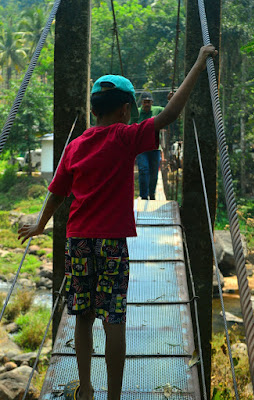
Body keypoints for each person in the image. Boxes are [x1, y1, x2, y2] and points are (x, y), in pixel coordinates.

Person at [18, 44, 217, 400]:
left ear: (93, 109)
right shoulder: (127, 137)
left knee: (81, 316)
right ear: (127, 109)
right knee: (114, 318)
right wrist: (200, 63)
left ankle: (86, 388)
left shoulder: (75, 146)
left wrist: (39, 223)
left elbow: (56, 192)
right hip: (110, 243)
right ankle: (113, 394)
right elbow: (169, 114)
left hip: (77, 239)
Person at [134, 92, 164, 200]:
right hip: (141, 148)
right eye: (145, 102)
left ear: (152, 102)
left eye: (149, 102)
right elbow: (129, 125)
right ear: (141, 102)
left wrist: (171, 100)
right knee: (143, 170)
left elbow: (171, 112)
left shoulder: (158, 110)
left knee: (154, 172)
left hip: (155, 148)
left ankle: (152, 194)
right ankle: (143, 196)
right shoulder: (136, 113)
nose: (147, 104)